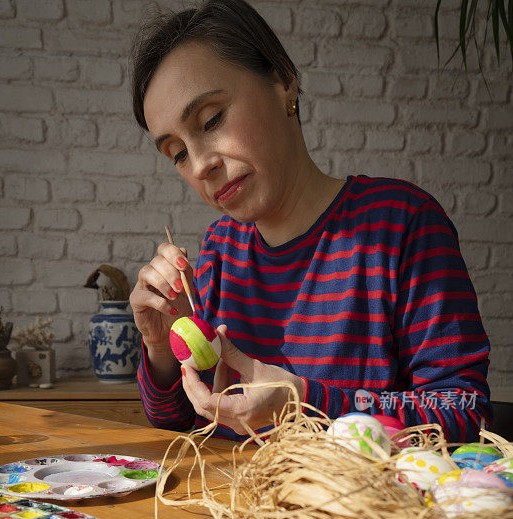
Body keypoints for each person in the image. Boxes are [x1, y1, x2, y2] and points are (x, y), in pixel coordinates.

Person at [129, 0, 492, 442]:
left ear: (283, 81)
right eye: (178, 153)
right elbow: (174, 419)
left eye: (211, 119)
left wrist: (302, 402)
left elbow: (464, 413)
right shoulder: (219, 251)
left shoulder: (402, 227)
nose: (200, 165)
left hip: (351, 510)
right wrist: (161, 346)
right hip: (231, 509)